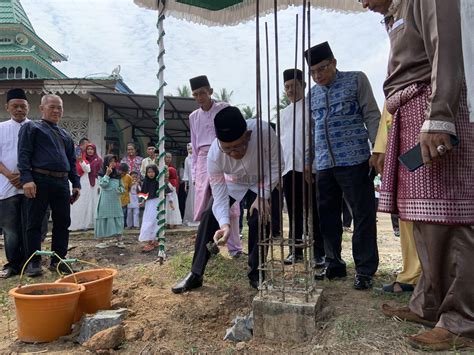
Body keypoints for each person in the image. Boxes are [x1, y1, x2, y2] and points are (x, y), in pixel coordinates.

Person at [362, 0, 474, 349]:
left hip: (434, 108)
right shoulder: (396, 12)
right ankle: (430, 303)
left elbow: (447, 46)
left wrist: (440, 114)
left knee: (450, 216)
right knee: (421, 216)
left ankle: (461, 319)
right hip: (410, 112)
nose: (364, 4)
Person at [171, 106, 281, 293]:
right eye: (227, 149)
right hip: (235, 181)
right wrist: (224, 224)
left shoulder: (264, 133)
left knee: (260, 218)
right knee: (209, 214)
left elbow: (277, 165)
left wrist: (262, 195)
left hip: (263, 180)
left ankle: (257, 273)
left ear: (248, 135)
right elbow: (220, 193)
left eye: (238, 147)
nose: (233, 154)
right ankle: (195, 273)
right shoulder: (214, 154)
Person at [305, 41, 380, 290]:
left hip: (356, 159)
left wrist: (377, 149)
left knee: (362, 214)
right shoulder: (312, 95)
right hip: (324, 164)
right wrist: (308, 160)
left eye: (323, 68)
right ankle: (333, 263)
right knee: (327, 217)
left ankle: (365, 270)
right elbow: (310, 130)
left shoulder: (356, 80)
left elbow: (371, 114)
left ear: (334, 63)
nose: (318, 75)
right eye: (313, 72)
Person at [18, 94, 80, 276]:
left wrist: (76, 184)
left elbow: (71, 160)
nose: (56, 110)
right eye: (52, 107)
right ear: (42, 108)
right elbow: (23, 154)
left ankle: (58, 261)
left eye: (59, 107)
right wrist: (26, 179)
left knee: (63, 222)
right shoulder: (31, 127)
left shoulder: (65, 135)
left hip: (61, 182)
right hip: (39, 180)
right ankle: (33, 262)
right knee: (34, 222)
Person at [188, 75, 243, 258]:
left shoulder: (224, 108)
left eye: (202, 93)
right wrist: (195, 174)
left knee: (230, 203)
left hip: (224, 154)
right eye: (195, 95)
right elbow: (194, 148)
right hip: (204, 159)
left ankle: (235, 248)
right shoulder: (193, 116)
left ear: (210, 91)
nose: (199, 98)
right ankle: (211, 247)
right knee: (207, 206)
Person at [370, 106, 420, 294]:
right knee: (406, 212)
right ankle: (413, 274)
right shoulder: (397, 83)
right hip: (402, 151)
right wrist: (381, 149)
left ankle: (426, 275)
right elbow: (389, 114)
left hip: (427, 140)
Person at [278, 69, 325, 267]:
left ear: (303, 86)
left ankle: (318, 254)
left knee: (313, 211)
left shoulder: (311, 106)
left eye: (294, 86)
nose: (290, 90)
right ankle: (295, 252)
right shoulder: (282, 114)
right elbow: (280, 143)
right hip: (288, 168)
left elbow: (315, 135)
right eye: (287, 87)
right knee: (294, 212)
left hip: (309, 167)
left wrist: (310, 163)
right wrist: (279, 171)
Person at [0, 89, 30, 278]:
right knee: (10, 229)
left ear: (28, 107)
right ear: (7, 107)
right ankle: (12, 264)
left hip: (30, 186)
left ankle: (29, 262)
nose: (19, 109)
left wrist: (26, 176)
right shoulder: (1, 128)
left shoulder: (35, 127)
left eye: (23, 106)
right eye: (15, 106)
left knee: (30, 227)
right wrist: (10, 176)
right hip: (6, 186)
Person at [95, 155, 125, 249]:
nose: (113, 163)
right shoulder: (101, 174)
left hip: (115, 200)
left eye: (114, 161)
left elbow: (122, 188)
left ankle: (119, 240)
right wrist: (107, 174)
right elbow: (103, 184)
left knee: (117, 218)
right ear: (106, 163)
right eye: (110, 161)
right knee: (103, 217)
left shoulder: (118, 174)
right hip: (105, 200)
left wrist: (118, 190)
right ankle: (100, 241)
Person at [69, 143, 102, 231]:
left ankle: (87, 224)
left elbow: (89, 170)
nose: (90, 151)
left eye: (91, 149)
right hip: (76, 184)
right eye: (88, 149)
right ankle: (75, 224)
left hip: (90, 184)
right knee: (75, 206)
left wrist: (81, 161)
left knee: (88, 204)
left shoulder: (91, 160)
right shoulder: (71, 161)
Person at [138, 165, 160, 252]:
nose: (151, 174)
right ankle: (149, 240)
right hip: (149, 204)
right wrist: (142, 201)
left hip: (158, 202)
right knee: (149, 220)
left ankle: (154, 240)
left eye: (152, 172)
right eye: (149, 172)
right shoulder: (146, 182)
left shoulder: (159, 181)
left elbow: (166, 191)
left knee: (156, 220)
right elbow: (143, 193)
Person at [182, 143, 198, 226]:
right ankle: (191, 218)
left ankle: (199, 218)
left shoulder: (198, 158)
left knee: (198, 199)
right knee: (191, 199)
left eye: (191, 149)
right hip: (191, 184)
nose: (190, 151)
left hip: (198, 181)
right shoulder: (187, 159)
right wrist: (185, 184)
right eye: (188, 149)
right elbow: (186, 172)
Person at [118, 163, 132, 228]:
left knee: (124, 212)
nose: (122, 174)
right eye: (121, 172)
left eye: (124, 172)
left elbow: (129, 187)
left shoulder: (128, 177)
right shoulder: (116, 176)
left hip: (125, 197)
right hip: (117, 197)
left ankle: (123, 225)